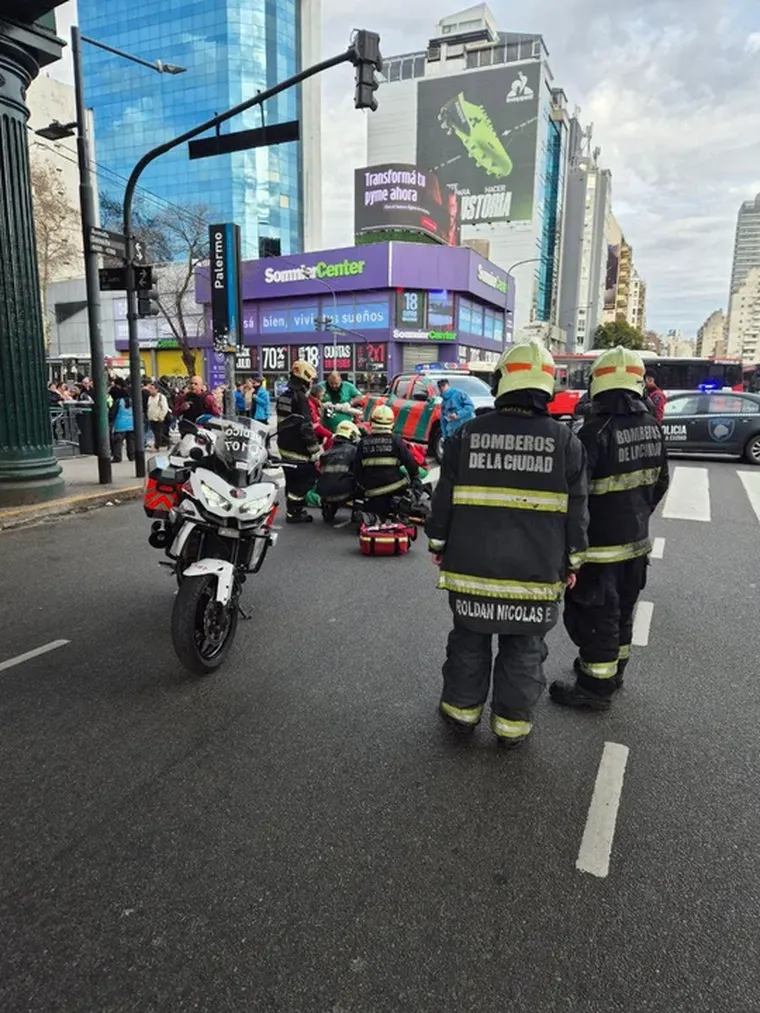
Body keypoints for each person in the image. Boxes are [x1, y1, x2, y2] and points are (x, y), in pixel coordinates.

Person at [424, 342, 589, 748]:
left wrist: (438, 542)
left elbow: (443, 498)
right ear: (546, 387)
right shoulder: (566, 443)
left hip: (470, 571)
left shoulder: (466, 434)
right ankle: (511, 728)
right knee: (524, 648)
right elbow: (577, 512)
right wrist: (574, 562)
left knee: (468, 641)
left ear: (502, 383)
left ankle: (461, 715)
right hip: (535, 576)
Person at [550, 346, 669, 711]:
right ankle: (612, 671)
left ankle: (594, 688)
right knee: (622, 613)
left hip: (599, 550)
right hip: (635, 546)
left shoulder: (593, 431)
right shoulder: (652, 427)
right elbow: (660, 482)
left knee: (597, 616)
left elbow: (575, 494)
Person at [354, 404, 421, 521]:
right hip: (396, 488)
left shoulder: (363, 443)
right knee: (416, 484)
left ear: (371, 422)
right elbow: (411, 464)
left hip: (372, 492)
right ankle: (402, 510)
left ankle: (371, 517)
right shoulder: (396, 441)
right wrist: (415, 478)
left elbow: (357, 471)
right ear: (392, 423)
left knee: (374, 510)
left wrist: (365, 487)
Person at [276, 359, 321, 523]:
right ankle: (295, 512)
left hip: (284, 446)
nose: (312, 383)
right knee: (305, 479)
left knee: (291, 479)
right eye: (311, 380)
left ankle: (291, 510)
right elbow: (306, 427)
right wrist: (315, 450)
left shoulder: (283, 396)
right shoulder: (300, 398)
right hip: (297, 448)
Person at [316, 420, 360, 521]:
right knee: (363, 481)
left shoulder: (325, 454)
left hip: (324, 493)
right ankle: (358, 511)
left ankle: (328, 509)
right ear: (351, 435)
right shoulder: (354, 451)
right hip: (345, 493)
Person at [109, 378, 135, 463]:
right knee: (131, 440)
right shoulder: (131, 401)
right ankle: (132, 456)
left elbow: (112, 414)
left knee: (118, 441)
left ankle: (117, 457)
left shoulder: (118, 401)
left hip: (120, 424)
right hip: (131, 423)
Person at [146, 383, 171, 449]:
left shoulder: (161, 397)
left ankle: (156, 447)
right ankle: (168, 441)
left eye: (152, 389)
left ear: (156, 390)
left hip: (158, 418)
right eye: (150, 388)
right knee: (156, 433)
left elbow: (164, 408)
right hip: (151, 418)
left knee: (158, 434)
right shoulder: (150, 397)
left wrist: (161, 416)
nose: (150, 390)